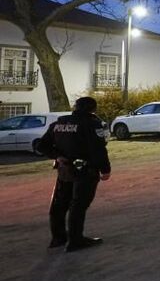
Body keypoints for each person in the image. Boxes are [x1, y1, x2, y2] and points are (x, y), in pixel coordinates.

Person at [36, 96, 111, 252]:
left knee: (59, 204)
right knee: (78, 205)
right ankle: (75, 240)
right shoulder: (91, 124)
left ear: (75, 107)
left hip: (64, 170)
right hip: (85, 170)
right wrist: (105, 169)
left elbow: (41, 145)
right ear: (93, 109)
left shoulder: (59, 123)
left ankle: (58, 238)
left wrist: (57, 156)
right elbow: (98, 149)